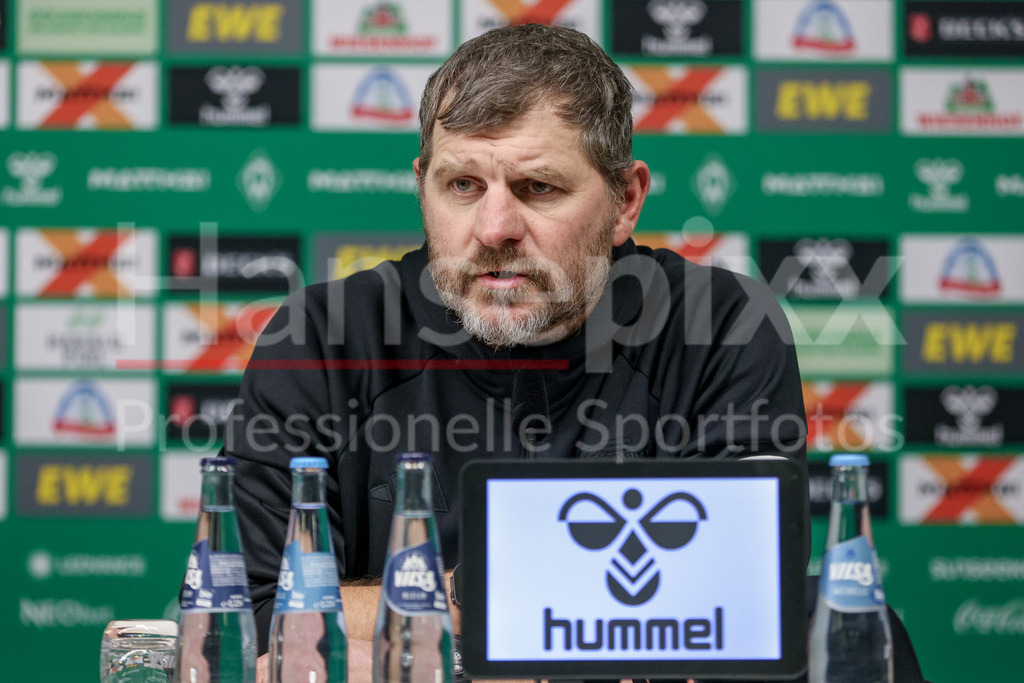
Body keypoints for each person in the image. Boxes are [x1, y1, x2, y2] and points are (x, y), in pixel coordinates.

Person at [225, 24, 808, 681]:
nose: (494, 229)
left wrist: (437, 613)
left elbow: (745, 610)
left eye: (538, 188)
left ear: (625, 201)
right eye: (463, 186)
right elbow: (255, 621)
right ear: (424, 186)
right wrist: (493, 599)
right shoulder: (319, 337)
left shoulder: (724, 325)